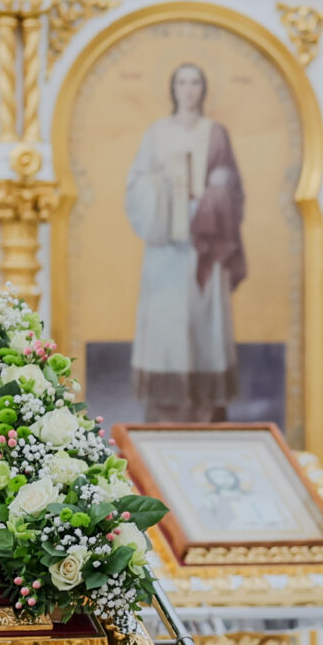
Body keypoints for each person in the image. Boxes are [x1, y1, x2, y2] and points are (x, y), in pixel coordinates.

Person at [122, 63, 244, 420]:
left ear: (203, 89)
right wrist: (163, 185)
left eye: (195, 83)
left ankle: (205, 409)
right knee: (167, 322)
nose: (188, 90)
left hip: (205, 241)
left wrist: (213, 193)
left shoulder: (215, 133)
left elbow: (232, 186)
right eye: (182, 82)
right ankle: (165, 410)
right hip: (166, 245)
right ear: (172, 88)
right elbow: (136, 183)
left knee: (204, 320)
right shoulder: (156, 133)